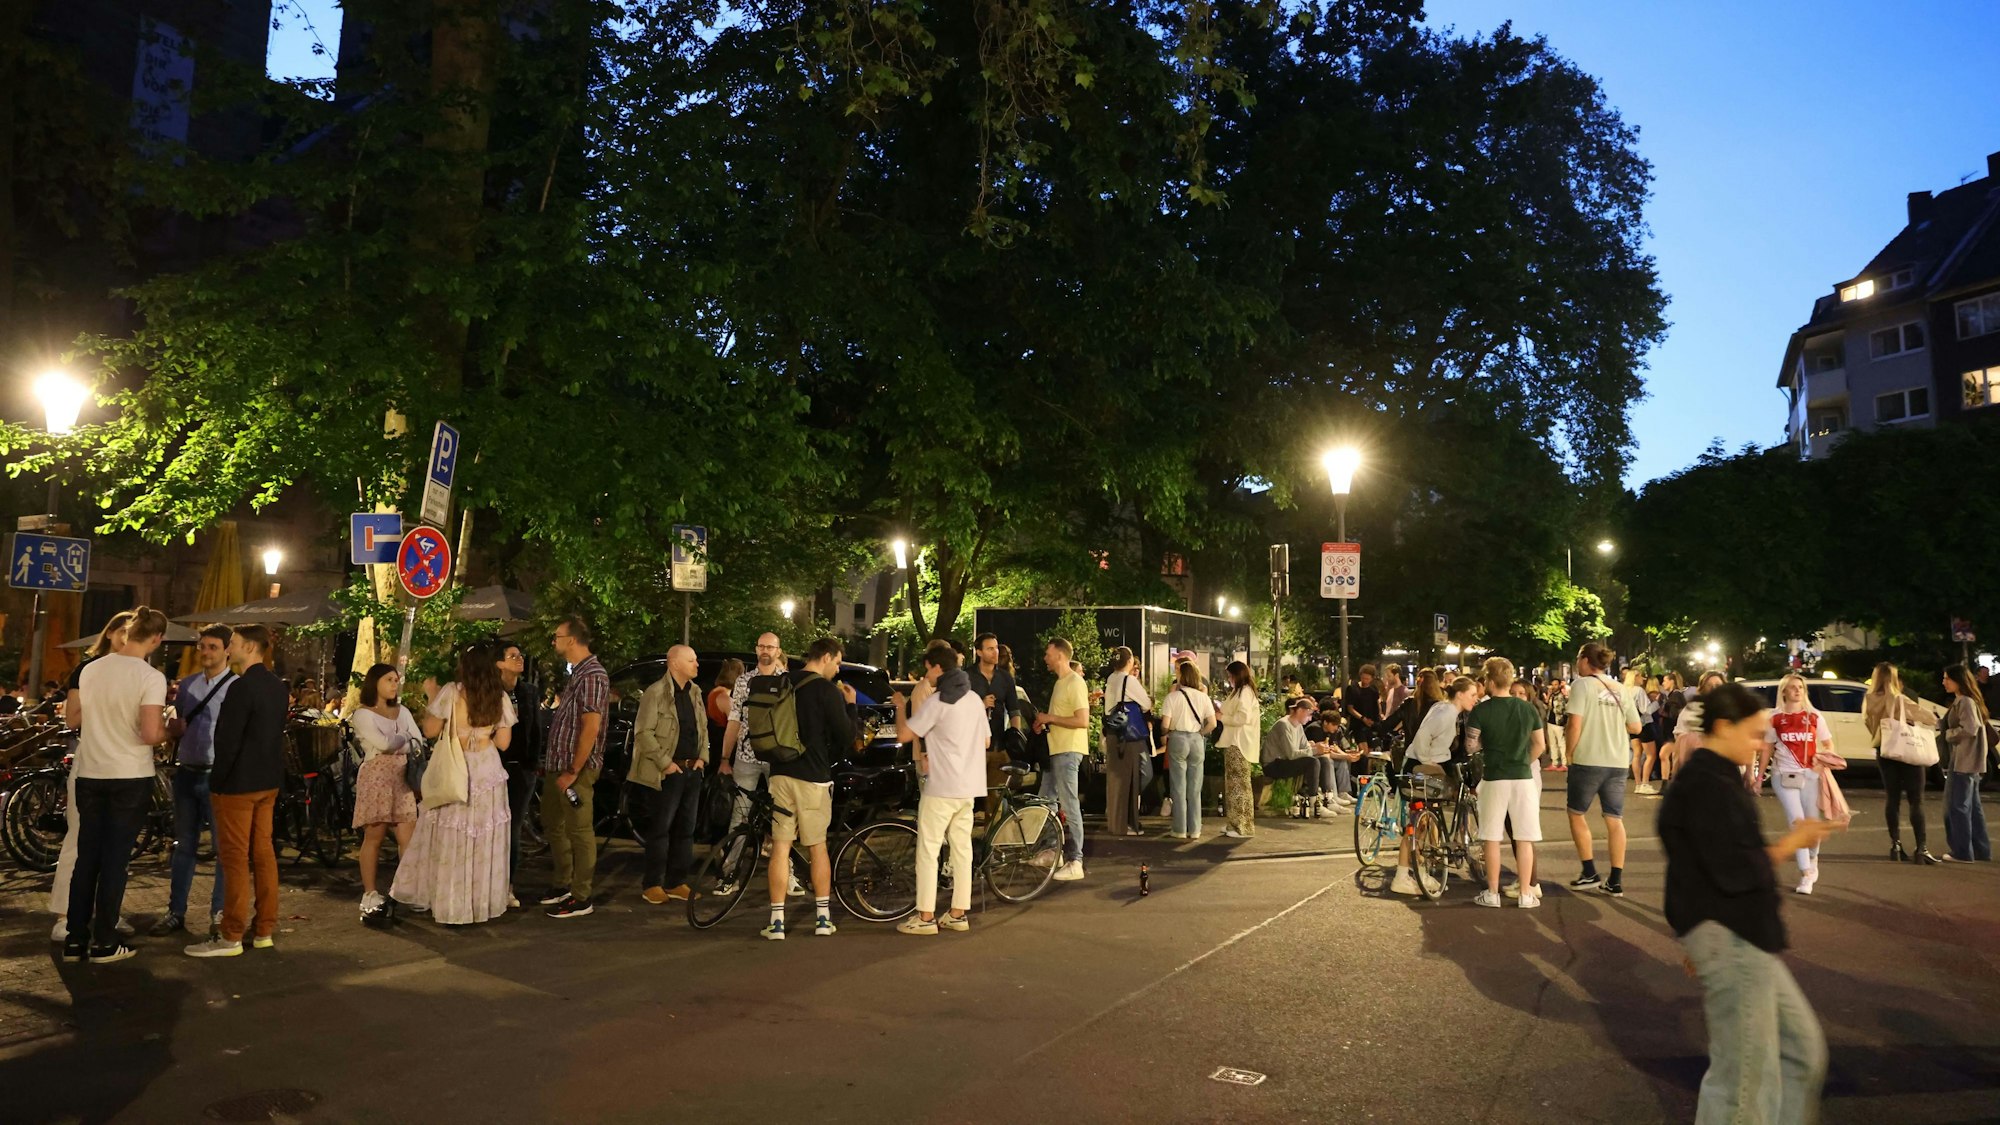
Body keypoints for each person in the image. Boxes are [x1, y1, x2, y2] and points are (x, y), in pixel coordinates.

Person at [1659, 681, 1832, 1124]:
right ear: (1723, 727)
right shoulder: (1704, 784)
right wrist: (1792, 842)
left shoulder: (1717, 777)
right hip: (1732, 936)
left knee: (1800, 1053)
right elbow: (1732, 867)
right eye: (1754, 734)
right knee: (1744, 1079)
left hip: (1744, 935)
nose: (1761, 745)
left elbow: (1698, 867)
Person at [61, 606, 170, 964]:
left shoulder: (91, 669)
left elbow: (73, 718)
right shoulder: (149, 677)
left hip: (91, 771)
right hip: (129, 775)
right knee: (115, 860)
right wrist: (174, 730)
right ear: (156, 639)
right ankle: (105, 941)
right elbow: (151, 732)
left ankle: (75, 939)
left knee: (87, 857)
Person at [391, 644, 517, 924]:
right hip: (488, 770)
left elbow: (430, 731)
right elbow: (505, 743)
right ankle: (479, 903)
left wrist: (431, 696)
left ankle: (451, 902)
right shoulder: (500, 697)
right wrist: (482, 736)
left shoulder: (451, 692)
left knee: (452, 835)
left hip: (455, 767)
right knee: (483, 837)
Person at [187, 625, 288, 957]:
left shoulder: (241, 688)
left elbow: (227, 742)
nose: (230, 650)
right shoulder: (277, 687)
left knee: (234, 859)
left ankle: (231, 934)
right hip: (267, 781)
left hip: (238, 785)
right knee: (263, 854)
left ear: (249, 647)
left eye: (234, 645)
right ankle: (264, 930)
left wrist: (218, 781)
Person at [48, 611, 137, 944]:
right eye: (124, 632)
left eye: (135, 634)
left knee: (115, 844)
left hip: (125, 761)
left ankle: (106, 911)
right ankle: (64, 913)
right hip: (92, 757)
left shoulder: (139, 671)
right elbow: (72, 718)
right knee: (79, 836)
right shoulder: (87, 669)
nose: (128, 639)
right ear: (111, 633)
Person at [763, 637, 858, 939]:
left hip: (780, 773)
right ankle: (822, 918)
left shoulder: (781, 682)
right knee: (817, 847)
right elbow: (846, 736)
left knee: (781, 846)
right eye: (838, 662)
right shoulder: (826, 691)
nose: (837, 669)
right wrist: (851, 705)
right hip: (814, 777)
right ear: (827, 657)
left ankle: (777, 922)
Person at [894, 644, 988, 934]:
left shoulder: (938, 701)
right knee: (962, 850)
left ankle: (925, 917)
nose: (927, 675)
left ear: (937, 667)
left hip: (941, 787)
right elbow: (986, 741)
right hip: (968, 787)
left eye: (928, 669)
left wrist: (900, 707)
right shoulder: (973, 699)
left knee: (928, 849)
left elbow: (905, 734)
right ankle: (958, 913)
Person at [153, 624, 236, 938]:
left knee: (222, 849)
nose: (205, 652)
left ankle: (219, 914)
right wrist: (174, 728)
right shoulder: (187, 686)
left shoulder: (235, 687)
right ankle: (176, 912)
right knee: (184, 845)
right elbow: (179, 724)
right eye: (202, 646)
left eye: (213, 647)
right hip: (188, 770)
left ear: (227, 649)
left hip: (217, 774)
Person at [541, 616, 609, 919]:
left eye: (557, 636)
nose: (554, 641)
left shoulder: (592, 675)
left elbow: (590, 727)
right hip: (560, 766)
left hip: (574, 770)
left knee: (579, 831)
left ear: (571, 640)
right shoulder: (578, 674)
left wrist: (573, 770)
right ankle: (563, 883)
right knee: (554, 825)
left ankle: (581, 896)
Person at [629, 644, 708, 904]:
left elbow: (702, 728)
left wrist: (702, 759)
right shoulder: (656, 693)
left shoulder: (695, 692)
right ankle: (652, 883)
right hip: (667, 772)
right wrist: (665, 763)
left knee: (686, 828)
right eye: (692, 660)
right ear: (674, 663)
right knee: (660, 829)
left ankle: (676, 881)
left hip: (690, 769)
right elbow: (643, 733)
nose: (697, 664)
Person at [347, 663, 423, 925]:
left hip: (402, 777)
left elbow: (419, 741)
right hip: (376, 779)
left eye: (396, 680)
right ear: (375, 682)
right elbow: (382, 744)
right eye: (389, 679)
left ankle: (405, 889)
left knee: (408, 836)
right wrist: (403, 739)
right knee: (374, 835)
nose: (394, 684)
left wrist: (399, 742)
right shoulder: (363, 714)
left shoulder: (402, 711)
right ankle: (370, 892)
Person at [1565, 642, 1642, 897]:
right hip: (1618, 761)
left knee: (1576, 813)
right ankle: (1615, 880)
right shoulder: (1620, 688)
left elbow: (1575, 723)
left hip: (1588, 758)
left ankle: (1589, 872)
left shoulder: (1582, 685)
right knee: (1614, 819)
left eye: (1579, 658)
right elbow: (1636, 727)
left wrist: (1569, 752)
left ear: (1586, 660)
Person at [1467, 658, 1545, 908]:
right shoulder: (1527, 709)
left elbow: (1470, 746)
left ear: (1489, 681)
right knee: (1524, 837)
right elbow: (1540, 745)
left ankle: (1492, 893)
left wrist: (1484, 746)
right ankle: (1525, 893)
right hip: (1523, 778)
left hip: (1494, 778)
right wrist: (1522, 759)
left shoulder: (1481, 710)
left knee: (1491, 837)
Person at [1390, 676, 1479, 895]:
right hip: (1422, 766)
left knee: (1425, 822)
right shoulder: (1447, 713)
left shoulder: (1444, 708)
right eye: (1472, 695)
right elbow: (1423, 736)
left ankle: (1419, 872)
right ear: (1459, 694)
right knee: (1419, 822)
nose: (1475, 699)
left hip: (1418, 764)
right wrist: (1428, 762)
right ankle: (1403, 876)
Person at [1757, 674, 1834, 894]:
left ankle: (1813, 858)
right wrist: (1759, 777)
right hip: (1783, 776)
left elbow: (1829, 744)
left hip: (1810, 776)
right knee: (1797, 823)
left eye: (1800, 687)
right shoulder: (1774, 717)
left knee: (1811, 823)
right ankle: (1806, 874)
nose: (1797, 691)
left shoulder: (1814, 716)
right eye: (1792, 688)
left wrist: (1822, 760)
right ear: (1784, 692)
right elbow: (1767, 748)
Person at [1862, 662, 1938, 864]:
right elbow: (1929, 718)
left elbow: (1869, 724)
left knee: (1892, 799)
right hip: (1908, 750)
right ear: (1894, 678)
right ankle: (1921, 848)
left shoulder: (1869, 700)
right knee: (1916, 800)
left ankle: (1895, 845)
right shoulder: (1900, 699)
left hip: (1885, 751)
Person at [1033, 638, 1092, 878]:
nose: (1045, 657)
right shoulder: (1061, 683)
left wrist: (1050, 719)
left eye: (1048, 653)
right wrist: (1045, 722)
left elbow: (1082, 720)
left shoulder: (1074, 683)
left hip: (1068, 750)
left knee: (1068, 803)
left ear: (1059, 654)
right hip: (1057, 749)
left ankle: (1075, 860)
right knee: (1046, 800)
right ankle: (1052, 851)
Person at [721, 633, 786, 842]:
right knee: (739, 816)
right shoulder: (743, 681)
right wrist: (725, 758)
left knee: (782, 819)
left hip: (777, 758)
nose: (765, 650)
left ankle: (785, 871)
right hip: (746, 756)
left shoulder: (787, 681)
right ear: (756, 649)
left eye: (770, 647)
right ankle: (729, 869)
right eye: (762, 646)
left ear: (778, 651)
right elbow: (734, 719)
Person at [495, 641, 540, 908]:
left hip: (522, 767)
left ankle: (508, 885)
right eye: (512, 656)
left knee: (513, 827)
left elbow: (535, 730)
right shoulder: (490, 692)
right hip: (493, 766)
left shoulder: (529, 692)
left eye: (520, 655)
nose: (519, 659)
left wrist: (532, 764)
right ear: (498, 663)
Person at [1159, 661, 1217, 840]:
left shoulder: (1172, 697)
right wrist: (1200, 733)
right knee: (1194, 787)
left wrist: (1166, 733)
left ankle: (1179, 829)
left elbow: (1165, 725)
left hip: (1178, 739)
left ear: (1181, 676)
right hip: (1196, 740)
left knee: (1178, 786)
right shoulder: (1203, 697)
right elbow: (1212, 723)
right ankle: (1195, 829)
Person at [1940, 663, 1991, 862]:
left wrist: (1948, 734)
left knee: (1956, 806)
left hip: (1964, 760)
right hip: (1968, 760)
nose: (1943, 682)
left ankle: (1962, 852)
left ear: (1958, 681)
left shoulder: (1965, 702)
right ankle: (1981, 850)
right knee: (1973, 808)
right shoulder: (1966, 701)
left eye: (1947, 678)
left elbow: (1970, 728)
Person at [965, 633, 1018, 820]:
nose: (995, 652)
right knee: (967, 797)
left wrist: (1014, 736)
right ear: (979, 652)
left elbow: (1014, 710)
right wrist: (980, 703)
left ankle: (993, 841)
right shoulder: (967, 676)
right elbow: (958, 710)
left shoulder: (1005, 678)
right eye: (990, 648)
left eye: (996, 648)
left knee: (994, 797)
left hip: (998, 746)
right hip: (972, 747)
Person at [1101, 646, 1151, 838]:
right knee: (1136, 776)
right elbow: (1146, 704)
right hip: (1129, 735)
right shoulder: (1128, 680)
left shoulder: (1111, 679)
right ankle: (1128, 823)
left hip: (1114, 732)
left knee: (1116, 779)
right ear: (1129, 662)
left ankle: (1116, 822)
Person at [1261, 697, 1339, 816]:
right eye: (1309, 714)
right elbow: (1292, 754)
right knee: (1312, 762)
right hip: (1274, 764)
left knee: (1323, 760)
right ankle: (1313, 802)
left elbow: (1304, 747)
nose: (1310, 718)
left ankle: (1327, 798)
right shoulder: (1284, 725)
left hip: (1285, 761)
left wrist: (1317, 748)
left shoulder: (1298, 725)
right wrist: (1314, 750)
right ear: (1301, 711)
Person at [1217, 661, 1261, 838]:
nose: (1229, 679)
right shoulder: (1241, 691)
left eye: (1230, 675)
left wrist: (1222, 717)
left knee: (1239, 786)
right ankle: (1234, 823)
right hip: (1234, 742)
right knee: (1235, 785)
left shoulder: (1244, 692)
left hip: (1239, 742)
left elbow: (1242, 717)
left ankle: (1241, 826)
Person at [1629, 670, 1662, 795]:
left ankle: (1638, 784)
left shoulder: (1626, 691)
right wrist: (1657, 702)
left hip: (1632, 724)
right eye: (1641, 676)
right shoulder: (1639, 690)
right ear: (1635, 677)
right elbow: (1645, 710)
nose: (1643, 679)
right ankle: (1645, 783)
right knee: (1651, 754)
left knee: (1637, 754)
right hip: (1644, 724)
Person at [1656, 672, 1687, 784]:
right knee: (1673, 758)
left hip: (1674, 733)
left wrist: (1662, 713)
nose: (1663, 683)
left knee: (1665, 755)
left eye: (1665, 680)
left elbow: (1674, 715)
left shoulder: (1675, 695)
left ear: (1672, 681)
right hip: (1672, 732)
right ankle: (1669, 785)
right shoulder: (1673, 695)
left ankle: (1668, 785)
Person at [707, 657, 742, 753]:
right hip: (723, 748)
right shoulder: (725, 699)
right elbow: (735, 730)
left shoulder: (714, 693)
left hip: (715, 746)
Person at [1342, 664, 1382, 748]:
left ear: (1372, 678)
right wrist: (1362, 718)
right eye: (1363, 678)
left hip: (1371, 722)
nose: (1365, 680)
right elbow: (1350, 708)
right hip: (1358, 724)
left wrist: (1378, 717)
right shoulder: (1353, 689)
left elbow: (1377, 704)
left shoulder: (1373, 690)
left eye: (1367, 679)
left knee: (1371, 749)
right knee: (1363, 748)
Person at [1545, 678, 1569, 771]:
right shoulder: (1552, 695)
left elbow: (1563, 709)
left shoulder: (1562, 695)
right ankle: (1554, 763)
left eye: (1556, 684)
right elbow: (1548, 705)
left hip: (1558, 722)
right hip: (1550, 720)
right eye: (1552, 684)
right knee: (1552, 743)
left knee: (1561, 743)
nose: (1554, 686)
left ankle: (1564, 763)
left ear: (1559, 685)